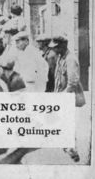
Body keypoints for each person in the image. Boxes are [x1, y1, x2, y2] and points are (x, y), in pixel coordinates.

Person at [49, 33, 83, 162]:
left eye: (56, 47)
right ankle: (67, 145)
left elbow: (73, 82)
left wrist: (63, 97)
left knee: (67, 122)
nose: (54, 50)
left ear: (63, 46)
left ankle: (71, 148)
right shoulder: (61, 58)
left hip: (67, 96)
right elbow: (58, 78)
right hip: (60, 95)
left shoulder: (70, 59)